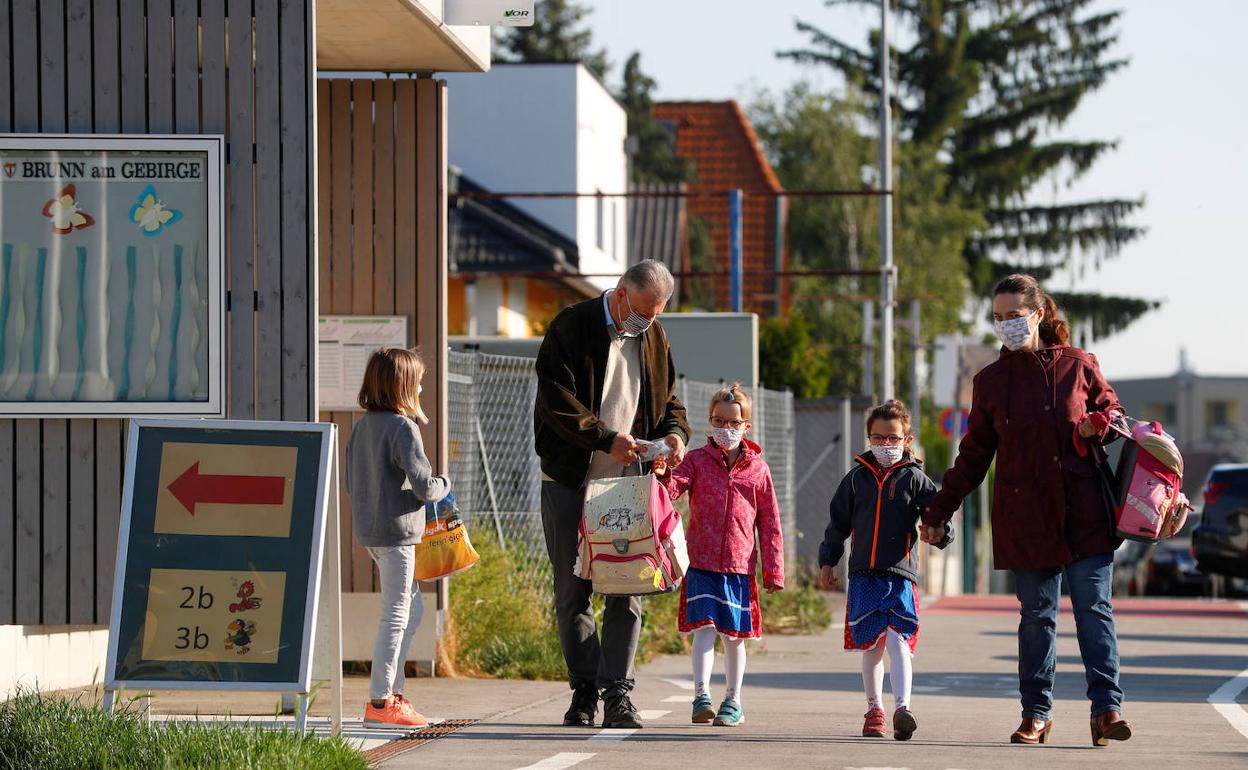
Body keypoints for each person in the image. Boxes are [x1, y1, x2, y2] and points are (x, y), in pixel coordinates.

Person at [920, 273, 1132, 747]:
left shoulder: (1079, 365)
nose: (1007, 326)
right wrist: (938, 511)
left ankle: (1107, 709)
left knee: (1093, 611)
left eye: (1015, 316)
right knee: (1037, 617)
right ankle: (1036, 714)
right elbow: (973, 456)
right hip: (1025, 516)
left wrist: (1102, 423)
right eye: (998, 318)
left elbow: (1115, 413)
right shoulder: (991, 382)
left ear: (1038, 315)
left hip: (1086, 512)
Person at [533, 259, 691, 730]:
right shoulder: (571, 325)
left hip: (627, 485)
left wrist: (676, 433)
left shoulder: (654, 336)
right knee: (572, 591)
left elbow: (670, 402)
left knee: (628, 589)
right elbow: (556, 398)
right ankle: (583, 696)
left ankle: (619, 696)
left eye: (657, 313)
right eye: (644, 311)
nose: (649, 322)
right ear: (621, 293)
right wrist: (605, 439)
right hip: (570, 480)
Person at [818, 400, 950, 741]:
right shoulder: (855, 480)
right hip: (863, 575)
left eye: (893, 438)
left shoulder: (916, 479)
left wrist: (938, 532)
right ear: (868, 438)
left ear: (907, 439)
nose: (885, 445)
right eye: (878, 438)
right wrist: (827, 561)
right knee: (872, 646)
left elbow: (937, 517)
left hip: (900, 575)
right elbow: (837, 525)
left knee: (898, 641)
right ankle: (874, 709)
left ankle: (902, 709)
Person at [653, 384, 784, 728]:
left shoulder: (759, 471)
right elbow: (673, 488)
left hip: (739, 568)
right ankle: (701, 697)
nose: (725, 429)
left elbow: (770, 524)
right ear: (709, 421)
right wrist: (664, 473)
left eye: (732, 422)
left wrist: (773, 571)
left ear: (746, 426)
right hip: (702, 562)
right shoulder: (696, 461)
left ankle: (733, 700)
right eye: (718, 421)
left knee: (734, 637)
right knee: (705, 630)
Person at [345, 347, 450, 728]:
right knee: (396, 614)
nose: (422, 388)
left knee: (413, 609)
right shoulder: (404, 428)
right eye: (418, 381)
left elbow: (350, 482)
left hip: (371, 533)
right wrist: (445, 483)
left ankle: (393, 692)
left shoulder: (363, 427)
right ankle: (380, 701)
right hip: (398, 536)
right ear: (403, 386)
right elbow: (425, 487)